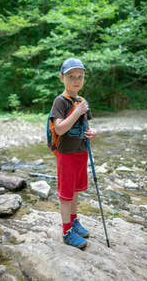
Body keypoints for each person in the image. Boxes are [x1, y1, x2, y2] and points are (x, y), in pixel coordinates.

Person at [50, 58, 97, 249]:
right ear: (62, 78)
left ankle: (74, 221)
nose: (76, 80)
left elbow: (87, 126)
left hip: (81, 153)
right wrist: (76, 112)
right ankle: (66, 230)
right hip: (66, 154)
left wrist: (93, 133)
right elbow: (60, 129)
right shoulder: (60, 101)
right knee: (66, 194)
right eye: (71, 77)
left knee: (76, 190)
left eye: (80, 77)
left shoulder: (83, 101)